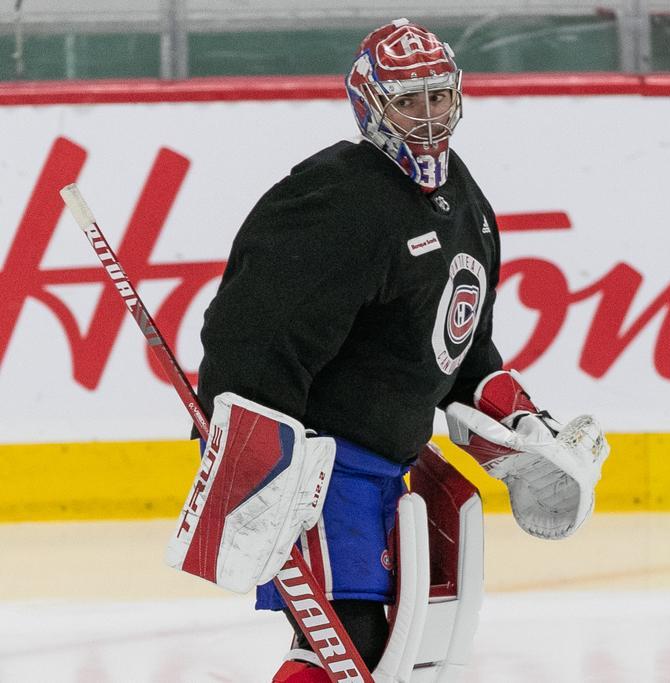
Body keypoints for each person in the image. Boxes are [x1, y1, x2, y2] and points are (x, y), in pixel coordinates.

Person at [194, 18, 608, 682]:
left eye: (437, 96)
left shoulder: (464, 202)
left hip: (390, 471)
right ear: (370, 104)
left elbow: (454, 344)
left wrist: (519, 419)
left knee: (392, 652)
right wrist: (252, 457)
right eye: (406, 101)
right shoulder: (337, 198)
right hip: (322, 473)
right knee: (347, 647)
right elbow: (254, 331)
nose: (426, 116)